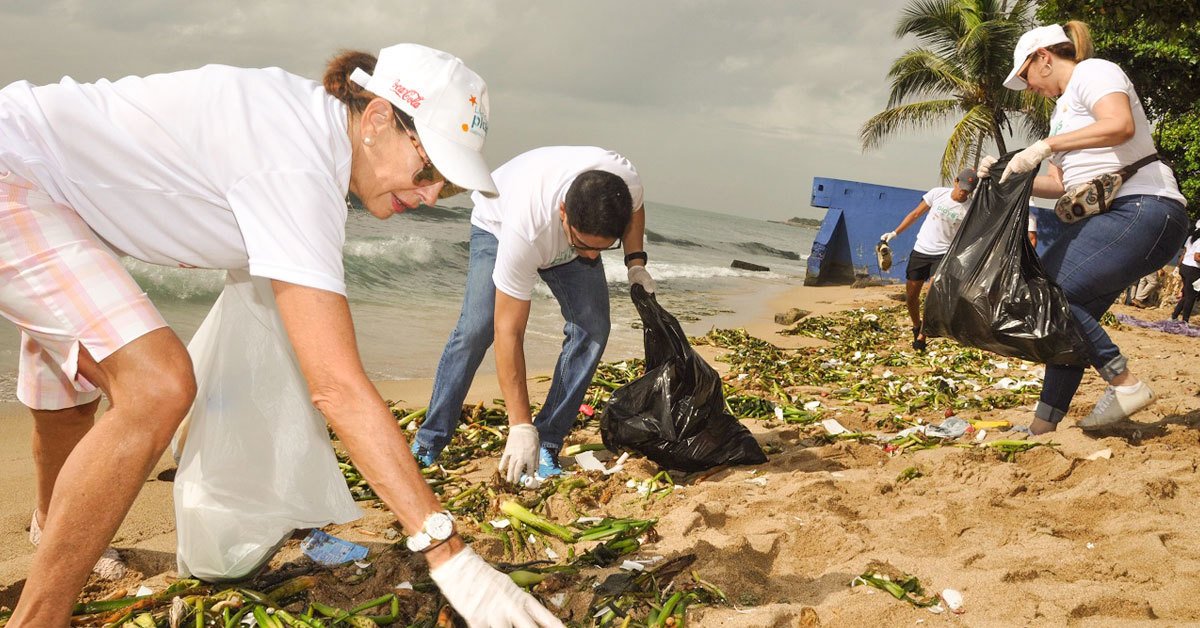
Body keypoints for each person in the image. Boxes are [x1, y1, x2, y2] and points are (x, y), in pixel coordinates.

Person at [0, 45, 561, 627]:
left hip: (58, 198)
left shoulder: (303, 129)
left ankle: (52, 527)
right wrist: (448, 554)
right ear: (375, 120)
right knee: (157, 385)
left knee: (74, 378)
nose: (426, 196)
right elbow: (337, 388)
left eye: (444, 187)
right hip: (15, 173)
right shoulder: (297, 166)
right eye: (427, 172)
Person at [980, 21, 1188, 434]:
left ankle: (1123, 383)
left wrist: (1045, 146)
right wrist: (1006, 175)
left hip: (1146, 209)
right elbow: (1058, 185)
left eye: (1026, 77)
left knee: (1050, 294)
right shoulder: (1061, 113)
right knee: (1067, 319)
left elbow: (1119, 125)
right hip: (1119, 218)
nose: (1029, 88)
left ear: (1044, 58)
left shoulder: (1094, 71)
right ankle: (1043, 424)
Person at [411, 146, 652, 483]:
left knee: (594, 328)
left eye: (601, 247)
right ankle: (430, 439)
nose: (591, 256)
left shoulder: (625, 183)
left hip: (554, 228)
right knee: (477, 329)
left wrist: (635, 262)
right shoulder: (526, 229)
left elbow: (635, 208)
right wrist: (519, 425)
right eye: (584, 244)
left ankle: (548, 441)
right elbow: (508, 331)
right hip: (497, 225)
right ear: (564, 212)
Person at [880, 168, 978, 351]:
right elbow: (915, 214)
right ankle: (917, 326)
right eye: (962, 187)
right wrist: (894, 233)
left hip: (943, 255)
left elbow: (970, 236)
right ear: (956, 181)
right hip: (921, 250)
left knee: (933, 294)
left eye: (968, 190)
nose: (963, 192)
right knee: (911, 297)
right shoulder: (937, 194)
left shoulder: (970, 209)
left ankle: (922, 334)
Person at [1171, 233, 1200, 323]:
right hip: (1193, 269)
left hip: (1185, 267)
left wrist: (1178, 266)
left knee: (1186, 295)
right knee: (1191, 297)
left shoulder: (1191, 238)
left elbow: (1184, 252)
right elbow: (1197, 257)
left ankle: (1174, 316)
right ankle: (1185, 321)